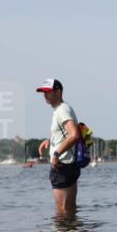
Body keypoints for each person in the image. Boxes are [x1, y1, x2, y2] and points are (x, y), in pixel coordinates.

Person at [36, 79, 81, 214]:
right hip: (68, 165)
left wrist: (56, 154)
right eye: (43, 92)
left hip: (62, 166)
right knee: (70, 211)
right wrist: (51, 140)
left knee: (62, 213)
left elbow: (74, 135)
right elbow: (65, 134)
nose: (45, 95)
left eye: (48, 92)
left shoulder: (62, 110)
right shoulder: (62, 109)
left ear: (58, 92)